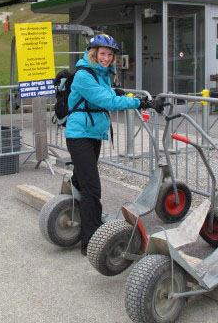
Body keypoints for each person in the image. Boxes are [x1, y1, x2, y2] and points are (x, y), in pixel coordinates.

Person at [65, 34, 167, 255]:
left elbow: (105, 94)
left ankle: (72, 219)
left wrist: (115, 91)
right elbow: (106, 101)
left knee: (81, 181)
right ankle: (90, 241)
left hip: (92, 133)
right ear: (93, 53)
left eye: (110, 55)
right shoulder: (84, 74)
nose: (106, 58)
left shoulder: (101, 74)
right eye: (102, 53)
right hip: (79, 134)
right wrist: (144, 102)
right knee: (92, 188)